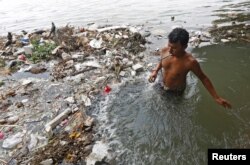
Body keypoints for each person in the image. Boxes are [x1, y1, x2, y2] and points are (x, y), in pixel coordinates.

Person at [149, 28, 232, 109]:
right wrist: (155, 71)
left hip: (175, 92)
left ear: (184, 46)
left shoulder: (190, 62)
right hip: (161, 84)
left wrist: (216, 97)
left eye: (174, 48)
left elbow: (203, 78)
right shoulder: (165, 50)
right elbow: (161, 61)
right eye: (169, 46)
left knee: (172, 110)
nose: (170, 50)